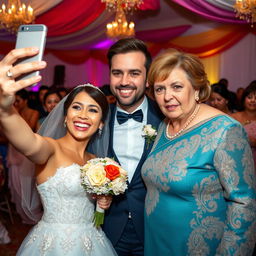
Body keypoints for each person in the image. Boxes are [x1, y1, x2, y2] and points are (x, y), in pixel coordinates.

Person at [0, 47, 117, 255]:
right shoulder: (50, 148)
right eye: (76, 107)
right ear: (65, 115)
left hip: (93, 242)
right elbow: (28, 142)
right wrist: (4, 109)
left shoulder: (97, 162)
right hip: (52, 244)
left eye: (93, 110)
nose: (83, 115)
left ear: (100, 123)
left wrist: (102, 200)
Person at [142, 48, 256, 256]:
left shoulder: (225, 130)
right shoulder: (164, 126)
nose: (167, 96)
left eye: (176, 86)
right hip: (155, 242)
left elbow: (244, 203)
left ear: (196, 89)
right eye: (159, 89)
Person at [89, 38, 164, 255]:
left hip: (155, 231)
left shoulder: (168, 119)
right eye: (117, 73)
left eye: (134, 73)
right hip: (107, 230)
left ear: (147, 79)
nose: (124, 81)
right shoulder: (97, 120)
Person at [231, 81, 256, 166]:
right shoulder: (234, 117)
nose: (253, 100)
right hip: (237, 160)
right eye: (249, 97)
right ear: (244, 99)